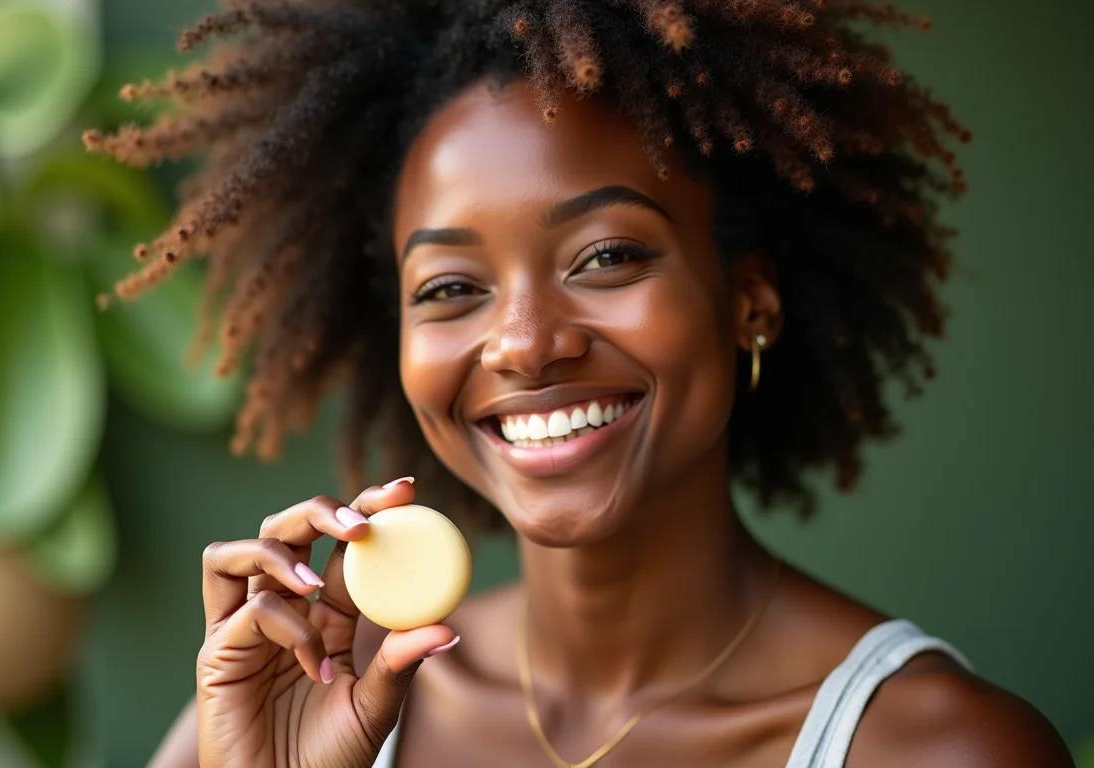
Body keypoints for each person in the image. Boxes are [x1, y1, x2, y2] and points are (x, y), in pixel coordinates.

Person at [85, 1, 1073, 766]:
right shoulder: (313, 694)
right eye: (450, 286)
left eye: (603, 258)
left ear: (748, 301)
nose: (521, 342)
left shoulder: (932, 749)